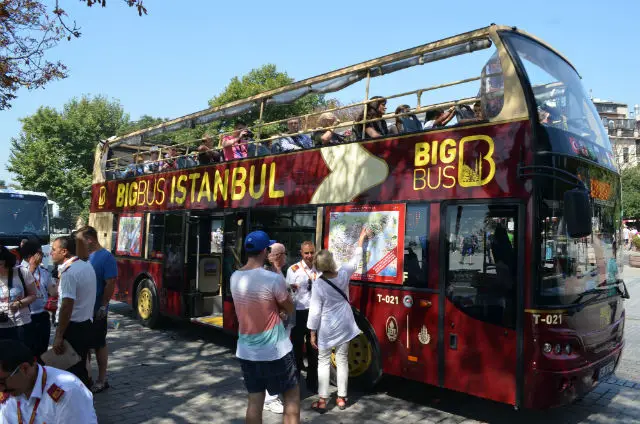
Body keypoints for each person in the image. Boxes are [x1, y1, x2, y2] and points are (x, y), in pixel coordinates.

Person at [230, 231, 300, 424]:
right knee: (291, 397)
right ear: (265, 251)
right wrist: (279, 307)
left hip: (247, 351)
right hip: (276, 351)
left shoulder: (235, 277)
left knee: (254, 400)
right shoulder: (273, 279)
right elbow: (289, 307)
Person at [308, 228, 367, 413]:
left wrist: (312, 332)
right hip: (345, 323)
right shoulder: (343, 274)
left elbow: (315, 311)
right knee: (342, 360)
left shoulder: (318, 284)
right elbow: (356, 260)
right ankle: (342, 398)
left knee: (323, 361)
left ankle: (323, 400)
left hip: (326, 327)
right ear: (332, 262)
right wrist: (361, 239)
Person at [0, 339, 98, 423]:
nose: (1, 389)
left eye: (2, 381)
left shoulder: (68, 392)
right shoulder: (13, 389)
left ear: (25, 369)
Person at [50, 236, 97, 387]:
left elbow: (66, 306)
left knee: (70, 373)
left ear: (64, 252)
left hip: (73, 328)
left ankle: (78, 403)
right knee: (80, 367)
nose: (51, 253)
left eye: (53, 250)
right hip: (85, 324)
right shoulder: (86, 265)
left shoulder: (69, 273)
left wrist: (59, 335)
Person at [77, 226, 118, 394]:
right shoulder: (83, 257)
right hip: (82, 311)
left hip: (96, 310)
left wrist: (103, 305)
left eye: (80, 241)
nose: (78, 244)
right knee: (84, 345)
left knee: (99, 344)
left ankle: (102, 380)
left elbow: (110, 283)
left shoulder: (106, 257)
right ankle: (87, 377)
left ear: (90, 240)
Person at [262, 242, 292, 415]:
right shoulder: (269, 274)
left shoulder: (277, 272)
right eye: (283, 253)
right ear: (276, 256)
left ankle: (272, 394)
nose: (285, 256)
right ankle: (270, 399)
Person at [285, 241, 319, 393]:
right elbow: (285, 290)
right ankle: (295, 382)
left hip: (315, 312)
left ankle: (312, 382)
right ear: (301, 253)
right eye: (307, 253)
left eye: (312, 252)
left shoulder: (319, 267)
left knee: (314, 349)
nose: (310, 256)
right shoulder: (294, 270)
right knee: (297, 349)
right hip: (299, 312)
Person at [20, 241, 56, 361]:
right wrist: (32, 268)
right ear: (31, 256)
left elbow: (52, 291)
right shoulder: (18, 271)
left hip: (43, 316)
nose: (43, 256)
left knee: (42, 351)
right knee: (28, 352)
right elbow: (22, 289)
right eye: (40, 253)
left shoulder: (44, 272)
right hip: (26, 317)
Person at [0, 245, 37, 345]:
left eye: (0, 264)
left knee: (21, 357)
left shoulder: (22, 272)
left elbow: (33, 295)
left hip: (20, 324)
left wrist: (19, 303)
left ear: (7, 262)